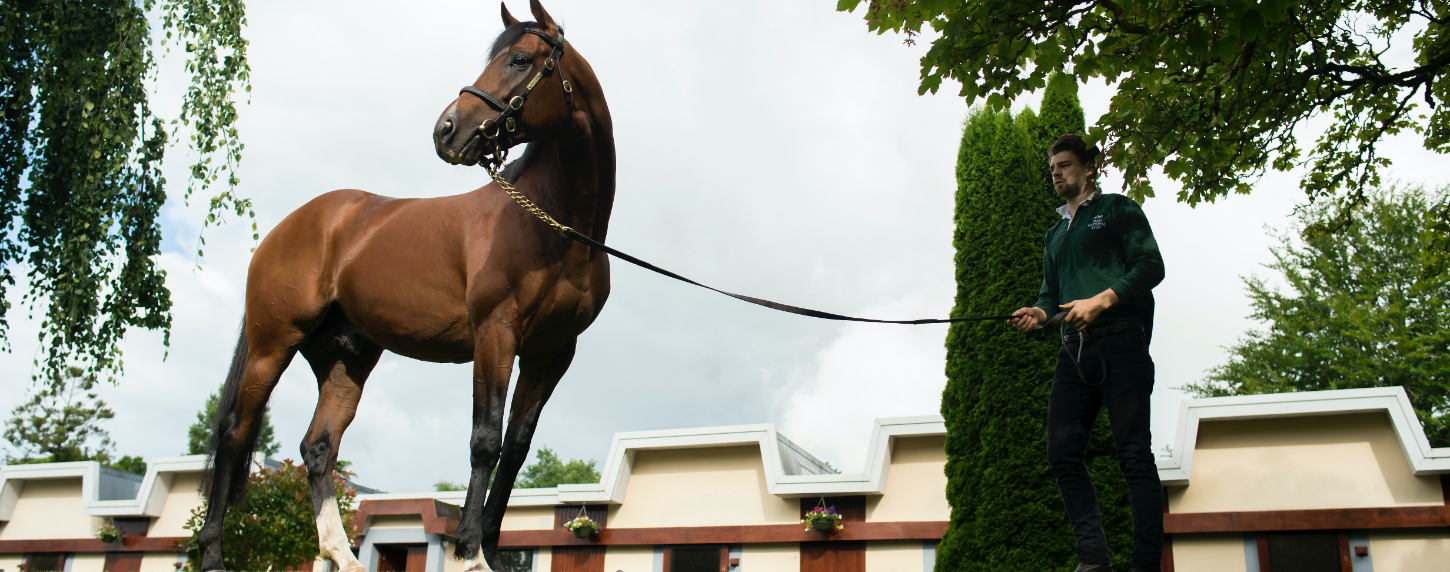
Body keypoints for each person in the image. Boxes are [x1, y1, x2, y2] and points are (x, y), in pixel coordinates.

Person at [1008, 134, 1166, 572]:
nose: (1055, 172)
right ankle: (1094, 559)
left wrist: (1101, 300)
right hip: (1073, 350)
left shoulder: (1118, 209)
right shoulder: (1055, 235)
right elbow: (1050, 296)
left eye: (1064, 165)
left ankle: (1145, 562)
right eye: (1053, 167)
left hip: (1123, 339)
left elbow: (1152, 266)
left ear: (1088, 168)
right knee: (1061, 451)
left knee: (1133, 451)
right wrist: (1038, 315)